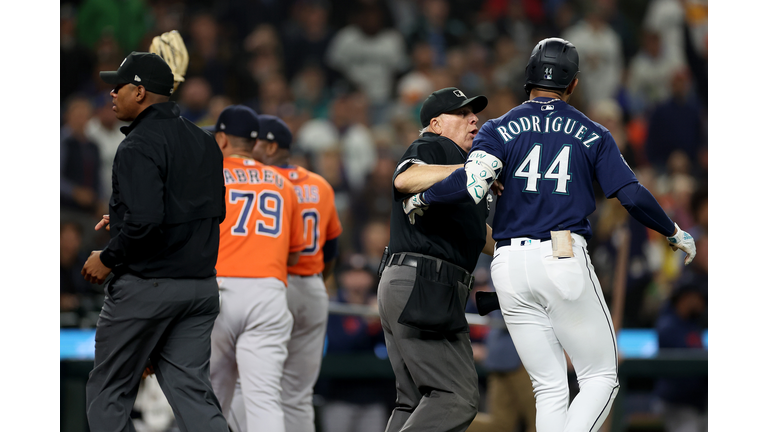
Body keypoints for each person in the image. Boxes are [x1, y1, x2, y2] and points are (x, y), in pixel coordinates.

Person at [408, 38, 697, 432]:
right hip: (561, 255)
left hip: (508, 266)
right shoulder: (592, 131)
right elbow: (629, 193)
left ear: (528, 79)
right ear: (573, 84)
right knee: (601, 376)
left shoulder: (497, 128)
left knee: (549, 387)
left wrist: (424, 196)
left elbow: (473, 183)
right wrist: (673, 230)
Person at [82, 51, 229, 431]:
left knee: (109, 391)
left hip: (148, 287)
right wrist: (124, 218)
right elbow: (205, 211)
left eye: (119, 86)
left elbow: (146, 224)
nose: (111, 93)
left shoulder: (137, 144)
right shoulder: (204, 141)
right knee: (192, 393)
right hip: (199, 289)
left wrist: (109, 257)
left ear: (141, 92)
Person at [377, 86, 496, 432]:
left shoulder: (460, 170)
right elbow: (404, 178)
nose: (473, 119)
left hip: (411, 280)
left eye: (474, 112)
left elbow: (480, 236)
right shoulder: (434, 145)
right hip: (424, 281)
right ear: (436, 123)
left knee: (414, 400)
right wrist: (471, 168)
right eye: (461, 113)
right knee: (455, 396)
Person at [233, 113, 343, 432]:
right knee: (297, 395)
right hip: (311, 288)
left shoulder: (258, 181)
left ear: (268, 147)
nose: (249, 147)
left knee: (246, 386)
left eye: (254, 142)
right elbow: (332, 248)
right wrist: (317, 284)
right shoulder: (319, 185)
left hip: (270, 286)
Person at [207, 105, 306, 432]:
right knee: (264, 399)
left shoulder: (210, 174)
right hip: (268, 292)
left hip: (219, 292)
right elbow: (294, 257)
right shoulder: (283, 184)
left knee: (209, 399)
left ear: (221, 139)